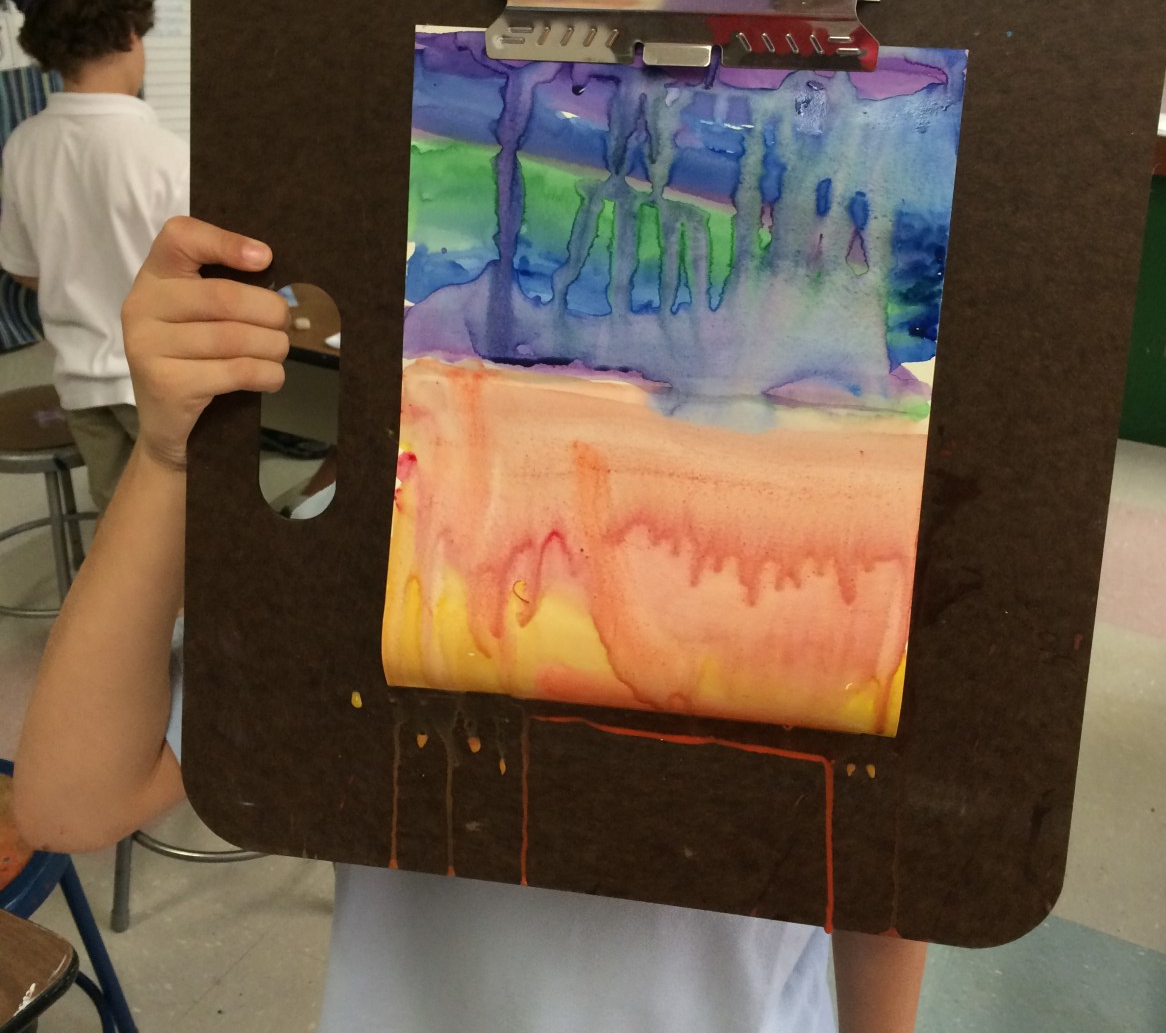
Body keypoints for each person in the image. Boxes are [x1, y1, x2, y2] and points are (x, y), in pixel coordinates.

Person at [13, 217, 927, 1032]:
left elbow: (892, 857)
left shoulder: (854, 555)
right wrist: (169, 457)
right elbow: (71, 799)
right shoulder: (389, 527)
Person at [0, 0, 188, 514]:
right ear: (131, 30)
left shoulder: (23, 145)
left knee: (120, 528)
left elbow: (24, 270)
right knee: (190, 524)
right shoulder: (167, 156)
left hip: (80, 385)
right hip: (159, 385)